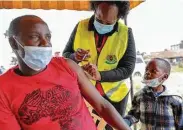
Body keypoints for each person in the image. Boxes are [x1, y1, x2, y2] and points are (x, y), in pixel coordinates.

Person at [0, 15, 131, 130]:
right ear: (13, 42)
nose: (45, 44)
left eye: (48, 37)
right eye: (35, 37)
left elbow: (102, 106)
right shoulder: (3, 89)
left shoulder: (67, 66)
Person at [62, 1, 136, 118]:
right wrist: (74, 57)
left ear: (118, 17)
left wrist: (100, 76)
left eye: (109, 22)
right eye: (99, 19)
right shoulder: (80, 26)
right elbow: (66, 55)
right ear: (95, 9)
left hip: (115, 97)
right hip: (85, 91)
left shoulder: (125, 33)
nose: (103, 24)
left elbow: (127, 69)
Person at [124, 58, 183, 130]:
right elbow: (133, 115)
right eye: (146, 70)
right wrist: (125, 122)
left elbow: (180, 123)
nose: (147, 73)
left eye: (153, 71)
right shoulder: (140, 95)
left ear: (164, 77)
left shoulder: (175, 99)